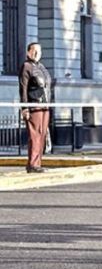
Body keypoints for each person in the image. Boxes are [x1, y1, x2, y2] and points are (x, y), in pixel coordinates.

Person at [19, 42, 52, 173]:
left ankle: (38, 163)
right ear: (28, 52)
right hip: (34, 105)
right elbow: (23, 88)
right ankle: (32, 164)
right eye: (34, 51)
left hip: (45, 105)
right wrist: (25, 107)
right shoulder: (26, 67)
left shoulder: (42, 67)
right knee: (35, 135)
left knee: (42, 134)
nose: (37, 54)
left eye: (39, 51)